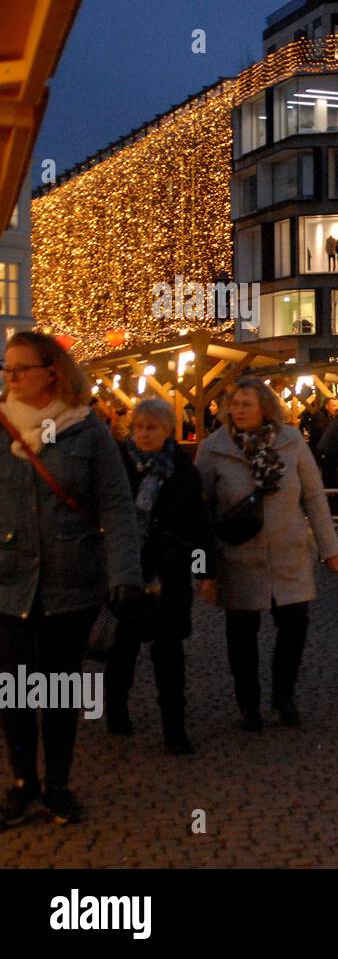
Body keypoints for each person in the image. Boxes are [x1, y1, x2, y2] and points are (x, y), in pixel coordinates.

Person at [0, 332, 143, 826]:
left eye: (21, 368)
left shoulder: (86, 430)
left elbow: (117, 504)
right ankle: (23, 782)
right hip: (8, 581)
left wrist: (124, 571)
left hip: (71, 581)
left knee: (59, 689)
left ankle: (58, 785)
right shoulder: (0, 428)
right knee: (15, 689)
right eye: (8, 368)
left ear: (52, 370)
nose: (11, 377)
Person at [195, 377, 338, 731]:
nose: (239, 410)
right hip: (236, 555)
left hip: (288, 552)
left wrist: (330, 548)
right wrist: (203, 567)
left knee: (294, 625)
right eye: (234, 403)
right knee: (242, 633)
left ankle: (284, 694)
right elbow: (200, 509)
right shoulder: (213, 448)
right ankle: (248, 704)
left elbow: (313, 496)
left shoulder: (291, 441)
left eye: (247, 403)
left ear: (265, 407)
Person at [106, 399, 212, 755]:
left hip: (170, 574)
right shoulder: (118, 466)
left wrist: (205, 570)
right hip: (127, 571)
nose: (144, 434)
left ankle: (174, 728)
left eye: (151, 427)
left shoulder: (183, 470)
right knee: (122, 649)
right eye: (139, 427)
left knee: (169, 653)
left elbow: (199, 523)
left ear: (168, 430)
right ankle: (116, 711)